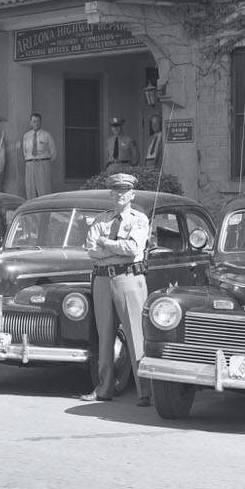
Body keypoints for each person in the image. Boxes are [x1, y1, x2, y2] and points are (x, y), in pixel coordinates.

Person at [81, 171, 152, 405]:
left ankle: (145, 391)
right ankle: (104, 389)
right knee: (105, 337)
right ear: (111, 193)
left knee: (135, 335)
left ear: (132, 194)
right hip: (102, 279)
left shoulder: (139, 219)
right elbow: (91, 249)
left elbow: (132, 249)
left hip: (128, 278)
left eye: (125, 191)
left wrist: (107, 244)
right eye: (116, 191)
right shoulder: (101, 219)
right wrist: (114, 248)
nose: (120, 195)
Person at [20, 112, 56, 199]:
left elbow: (54, 153)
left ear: (40, 122)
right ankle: (32, 211)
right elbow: (25, 152)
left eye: (38, 121)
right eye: (34, 121)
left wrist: (45, 164)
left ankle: (44, 211)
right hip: (30, 165)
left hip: (42, 164)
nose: (36, 123)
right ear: (30, 123)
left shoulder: (46, 135)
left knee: (44, 191)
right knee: (30, 190)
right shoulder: (26, 136)